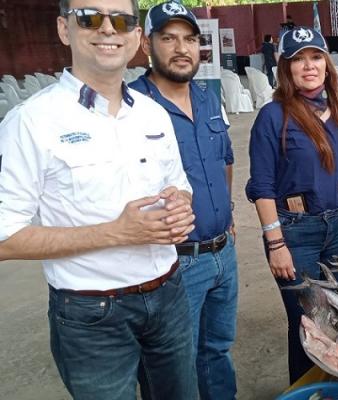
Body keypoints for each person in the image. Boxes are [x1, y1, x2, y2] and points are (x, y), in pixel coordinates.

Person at [0, 0, 198, 398]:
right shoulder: (32, 122)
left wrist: (180, 204)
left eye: (122, 20)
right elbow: (4, 237)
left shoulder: (151, 113)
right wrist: (116, 233)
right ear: (63, 29)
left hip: (169, 294)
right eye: (90, 18)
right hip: (91, 313)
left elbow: (179, 184)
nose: (109, 29)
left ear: (136, 36)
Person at [129, 3, 238, 399]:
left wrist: (227, 215)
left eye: (190, 39)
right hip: (171, 262)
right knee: (170, 365)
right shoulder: (130, 106)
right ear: (146, 44)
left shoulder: (208, 96)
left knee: (216, 350)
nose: (182, 48)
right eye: (168, 38)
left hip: (222, 253)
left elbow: (225, 157)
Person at [245, 26, 338, 384]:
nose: (308, 66)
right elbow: (262, 186)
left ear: (327, 64)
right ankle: (306, 390)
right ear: (285, 68)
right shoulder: (273, 116)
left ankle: (335, 388)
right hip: (295, 234)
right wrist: (276, 243)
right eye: (298, 59)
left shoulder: (337, 111)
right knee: (309, 321)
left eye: (315, 57)